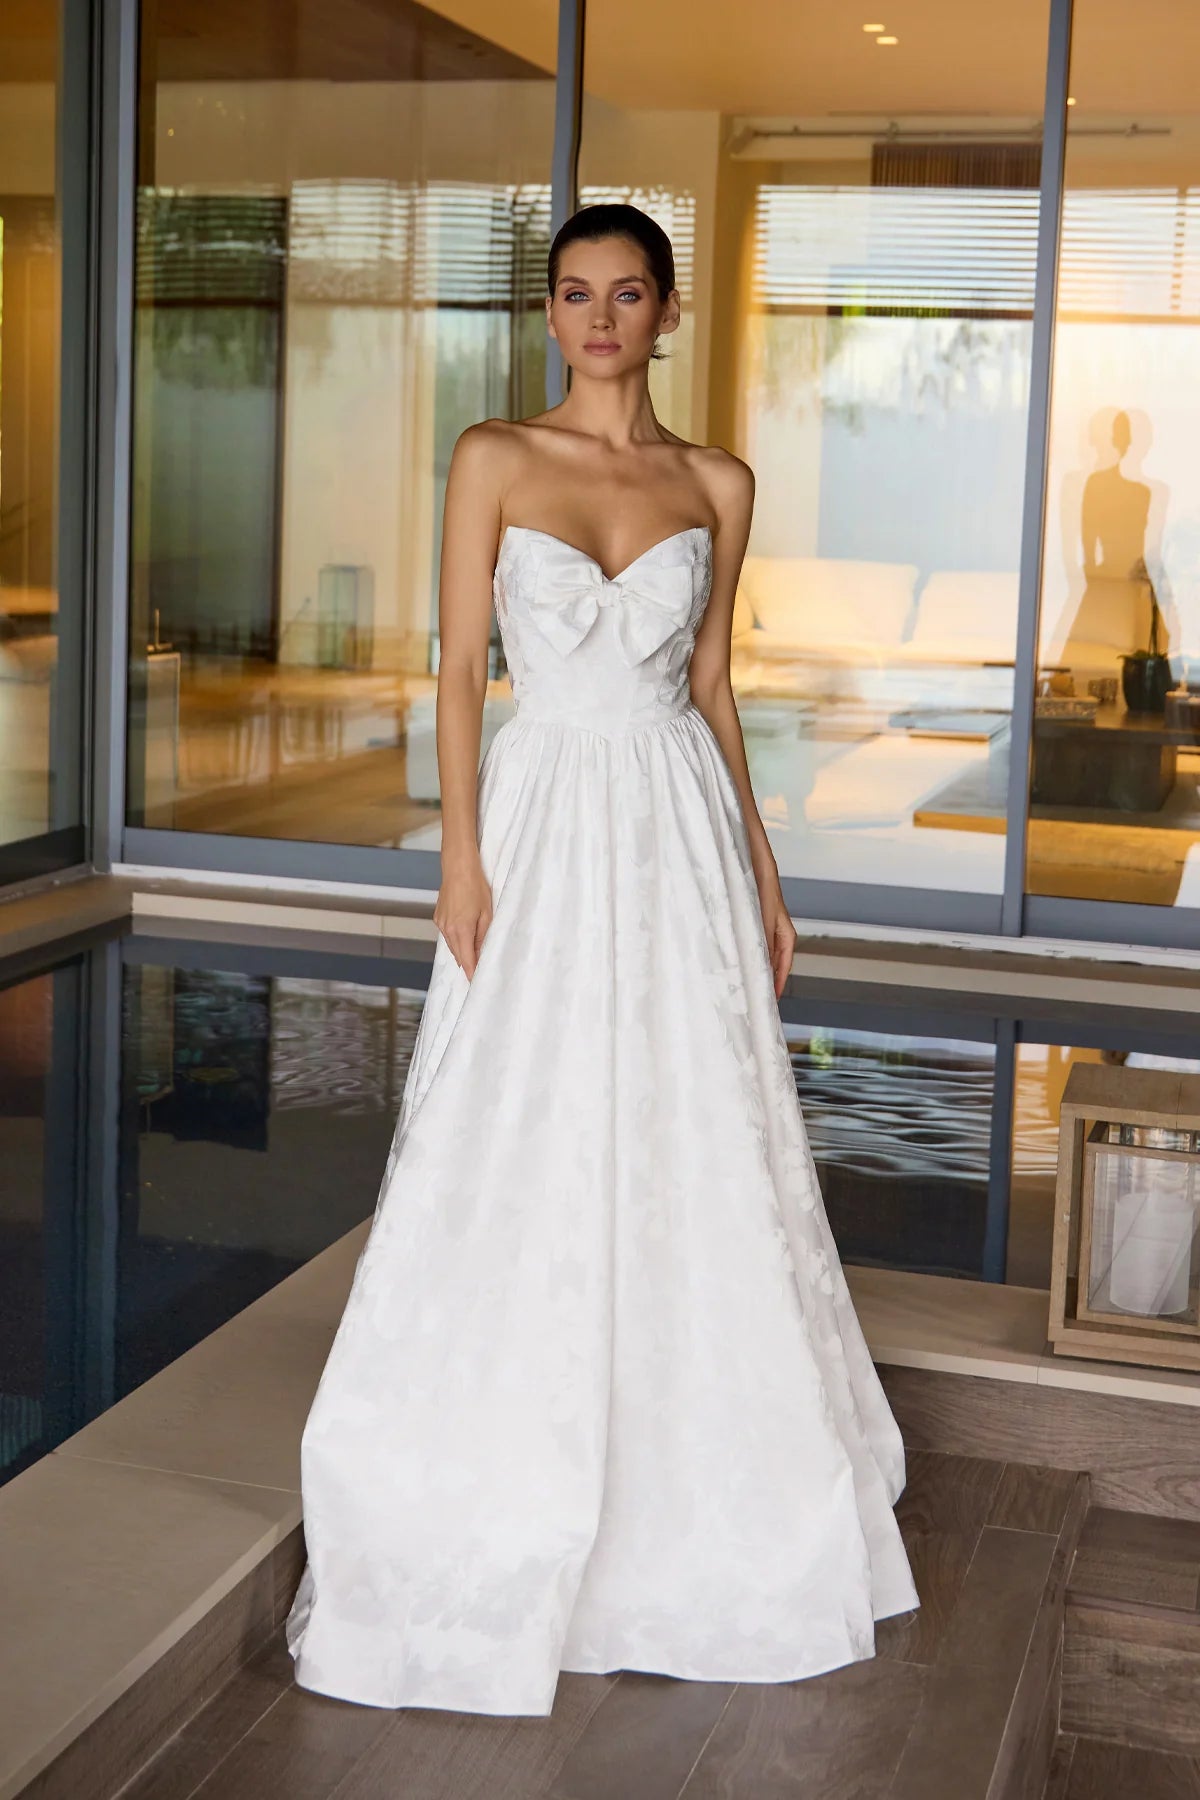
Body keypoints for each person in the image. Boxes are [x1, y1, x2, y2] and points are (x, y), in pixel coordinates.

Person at [284, 201, 919, 1717]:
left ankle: (698, 1468)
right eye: (575, 294)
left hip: (675, 823)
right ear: (551, 312)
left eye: (628, 294)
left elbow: (710, 684)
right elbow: (458, 667)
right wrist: (459, 853)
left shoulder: (718, 483)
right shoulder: (493, 457)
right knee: (512, 1110)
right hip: (542, 813)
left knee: (696, 1123)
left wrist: (763, 866)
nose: (600, 319)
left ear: (667, 312)